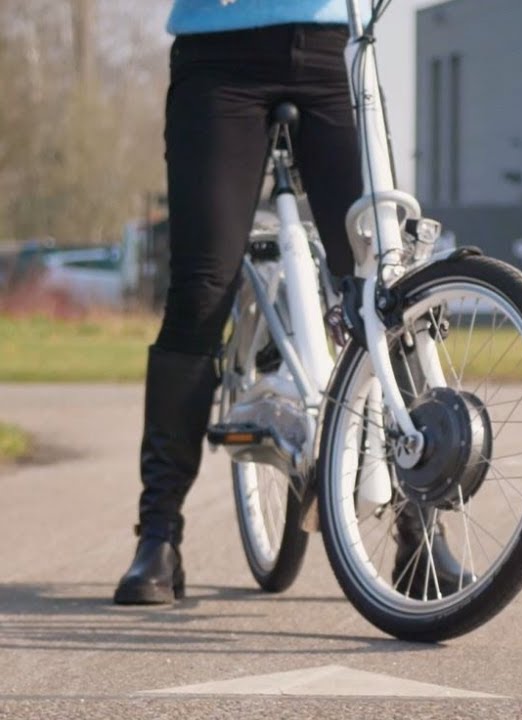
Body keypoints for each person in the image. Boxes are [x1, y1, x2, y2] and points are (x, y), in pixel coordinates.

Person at [113, 1, 364, 604]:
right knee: (201, 290)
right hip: (219, 56)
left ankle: (415, 523)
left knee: (377, 279)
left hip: (335, 49)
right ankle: (159, 535)